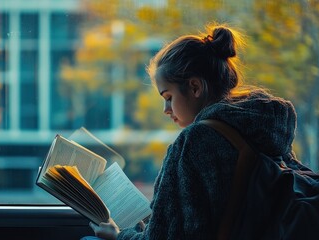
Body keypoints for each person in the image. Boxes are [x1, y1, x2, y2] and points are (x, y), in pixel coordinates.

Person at [85, 23, 298, 239]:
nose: (166, 110)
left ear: (195, 87)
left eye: (168, 97)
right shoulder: (266, 129)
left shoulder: (194, 142)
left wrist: (118, 235)